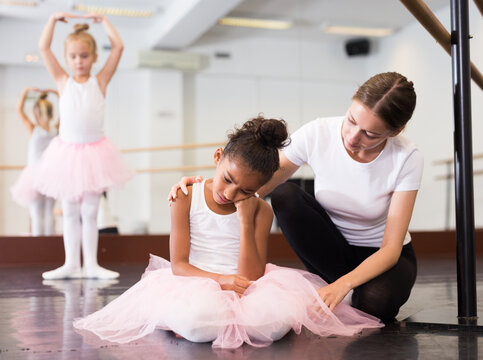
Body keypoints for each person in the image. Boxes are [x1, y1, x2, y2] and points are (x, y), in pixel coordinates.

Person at [73, 116, 382, 349]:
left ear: (258, 189)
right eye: (227, 179)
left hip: (246, 286)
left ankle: (212, 321)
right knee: (197, 323)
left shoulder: (261, 210)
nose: (230, 193)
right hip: (195, 280)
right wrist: (220, 281)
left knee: (272, 323)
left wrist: (246, 221)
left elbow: (252, 275)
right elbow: (179, 265)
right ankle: (189, 320)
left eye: (245, 190)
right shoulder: (186, 196)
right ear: (218, 157)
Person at [169, 72, 424, 323]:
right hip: (330, 250)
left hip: (381, 254)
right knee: (285, 195)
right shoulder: (319, 132)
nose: (353, 137)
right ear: (351, 101)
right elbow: (254, 179)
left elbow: (391, 249)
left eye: (370, 134)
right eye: (351, 120)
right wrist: (204, 188)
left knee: (374, 304)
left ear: (394, 132)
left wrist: (343, 285)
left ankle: (345, 287)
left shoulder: (407, 157)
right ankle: (332, 281)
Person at [27, 12, 132, 280]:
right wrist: (51, 20)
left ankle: (92, 265)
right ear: (66, 58)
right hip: (66, 154)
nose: (78, 61)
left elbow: (118, 46)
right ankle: (71, 263)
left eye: (84, 56)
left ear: (94, 57)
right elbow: (43, 47)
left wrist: (103, 20)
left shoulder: (101, 81)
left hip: (95, 152)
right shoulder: (63, 81)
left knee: (91, 211)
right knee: (71, 210)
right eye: (73, 56)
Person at [11, 88, 58, 236]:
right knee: (49, 212)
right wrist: (56, 93)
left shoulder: (34, 129)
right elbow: (65, 107)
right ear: (51, 113)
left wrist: (25, 92)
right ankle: (50, 249)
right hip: (51, 175)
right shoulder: (56, 129)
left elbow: (19, 109)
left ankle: (39, 248)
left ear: (36, 114)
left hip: (34, 176)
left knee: (36, 213)